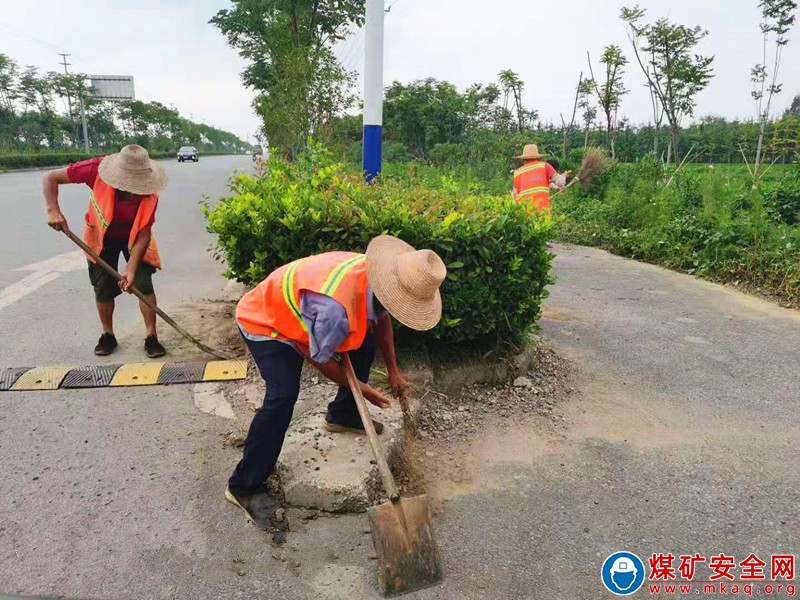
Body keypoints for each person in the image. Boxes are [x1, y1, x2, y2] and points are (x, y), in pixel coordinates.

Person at [227, 235, 447, 527]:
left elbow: (381, 319)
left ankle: (343, 414)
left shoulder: (377, 278)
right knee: (282, 395)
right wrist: (364, 390)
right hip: (266, 322)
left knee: (363, 341)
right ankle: (244, 485)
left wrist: (394, 370)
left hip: (306, 314)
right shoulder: (335, 312)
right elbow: (319, 358)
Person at [43, 144, 168, 358]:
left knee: (143, 283)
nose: (132, 191)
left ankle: (151, 336)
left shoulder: (150, 191)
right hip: (101, 236)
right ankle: (107, 334)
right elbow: (50, 177)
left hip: (134, 237)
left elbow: (144, 232)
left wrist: (131, 267)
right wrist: (53, 210)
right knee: (102, 287)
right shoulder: (95, 169)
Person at [511, 144, 561, 211]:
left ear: (523, 159)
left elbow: (514, 194)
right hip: (542, 210)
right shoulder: (545, 166)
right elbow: (560, 181)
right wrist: (563, 177)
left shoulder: (517, 172)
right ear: (538, 157)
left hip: (523, 213)